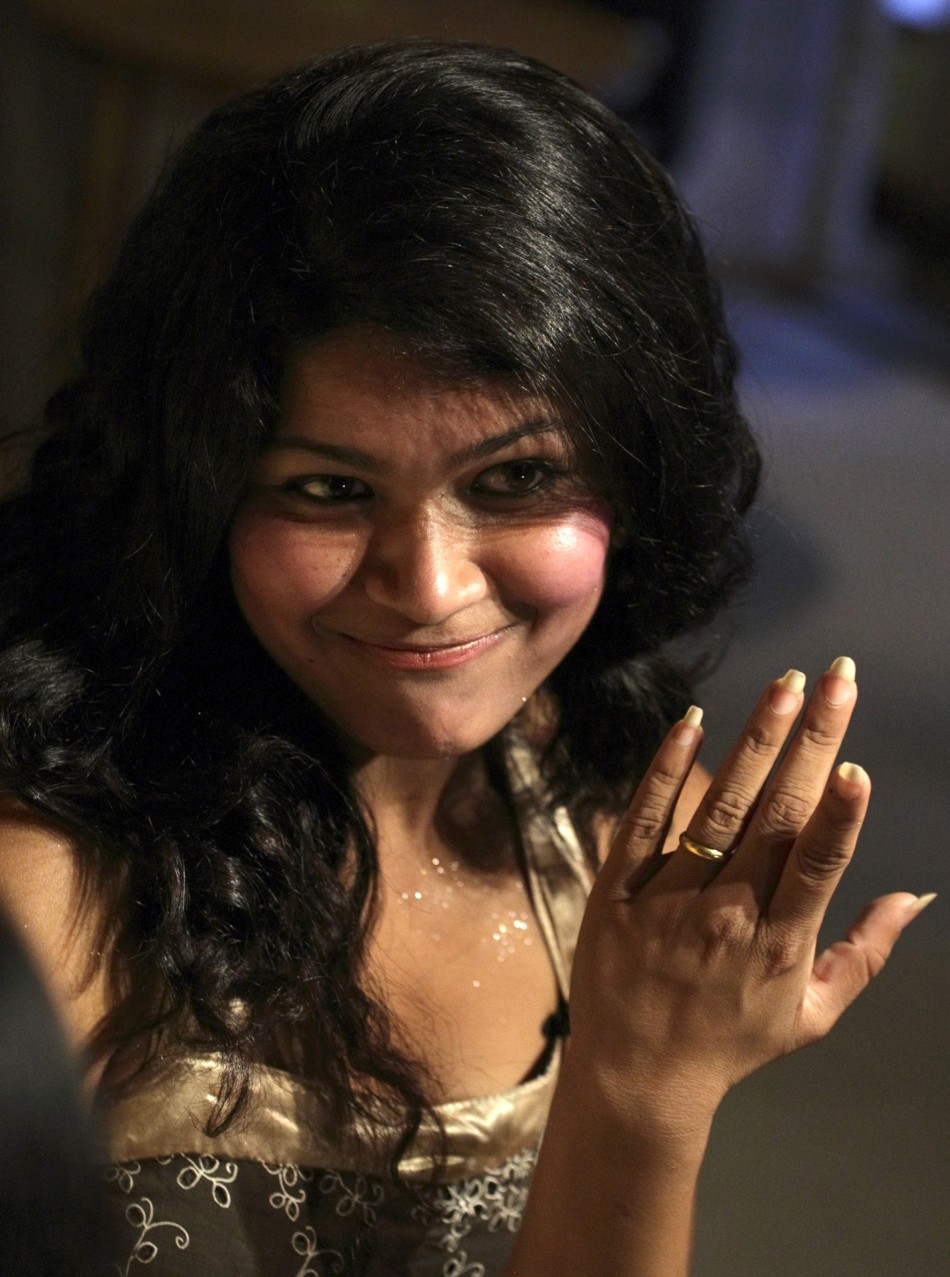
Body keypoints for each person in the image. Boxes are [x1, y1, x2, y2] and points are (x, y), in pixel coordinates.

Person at [0, 40, 932, 1277]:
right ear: (195, 484)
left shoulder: (586, 819)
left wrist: (646, 1091)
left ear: (637, 468)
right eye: (330, 489)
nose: (430, 587)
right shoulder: (47, 887)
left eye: (516, 480)